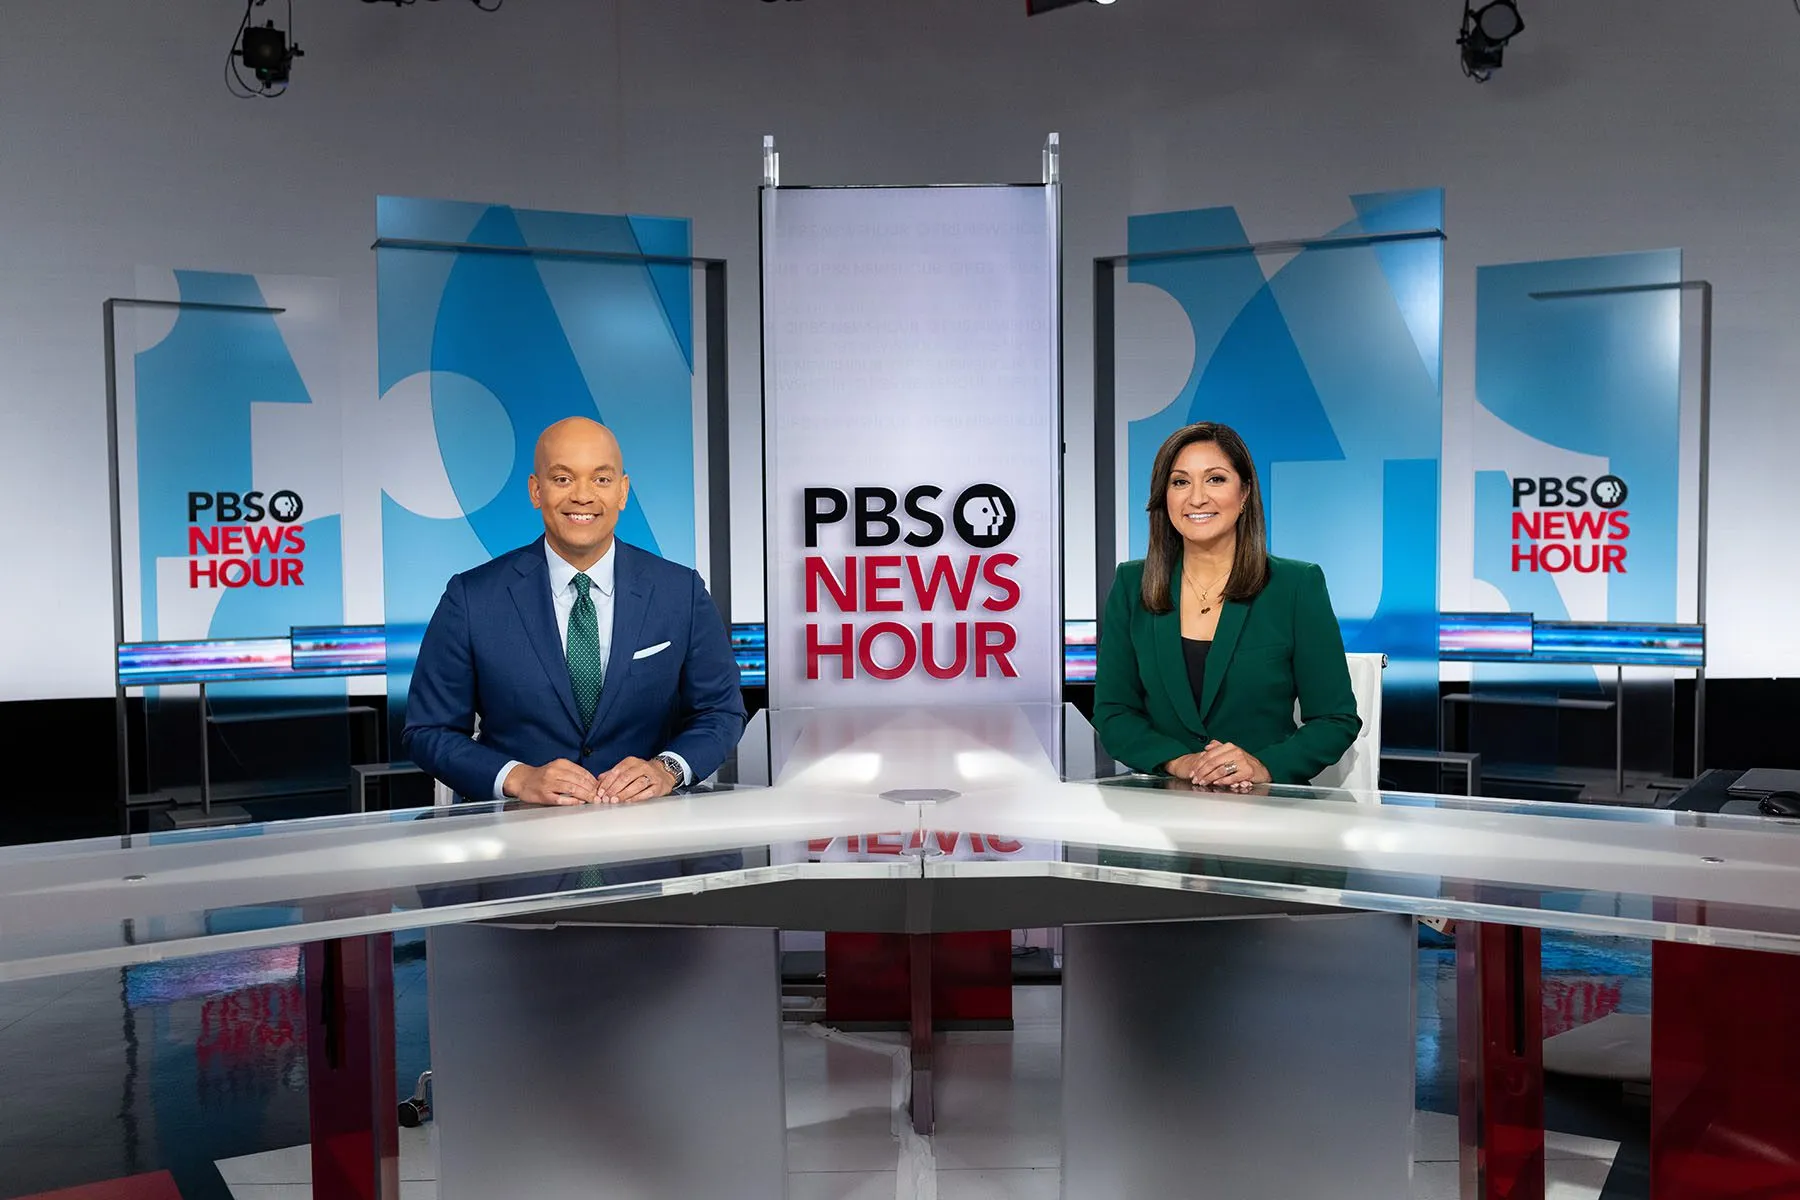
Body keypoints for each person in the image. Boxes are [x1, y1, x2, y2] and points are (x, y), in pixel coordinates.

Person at [403, 417, 745, 808]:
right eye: (563, 479)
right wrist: (518, 778)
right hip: (517, 840)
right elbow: (428, 730)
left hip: (648, 837)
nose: (582, 496)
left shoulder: (679, 591)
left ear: (623, 491)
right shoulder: (471, 598)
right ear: (536, 490)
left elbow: (721, 711)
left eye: (601, 479)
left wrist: (666, 769)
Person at [1094, 421, 1360, 788]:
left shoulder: (1297, 585)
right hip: (1160, 810)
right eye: (1180, 482)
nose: (1197, 498)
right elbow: (1114, 713)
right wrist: (1181, 762)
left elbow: (1335, 719)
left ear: (1245, 492)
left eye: (1215, 479)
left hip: (1265, 813)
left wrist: (1263, 765)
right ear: (1164, 496)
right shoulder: (1131, 584)